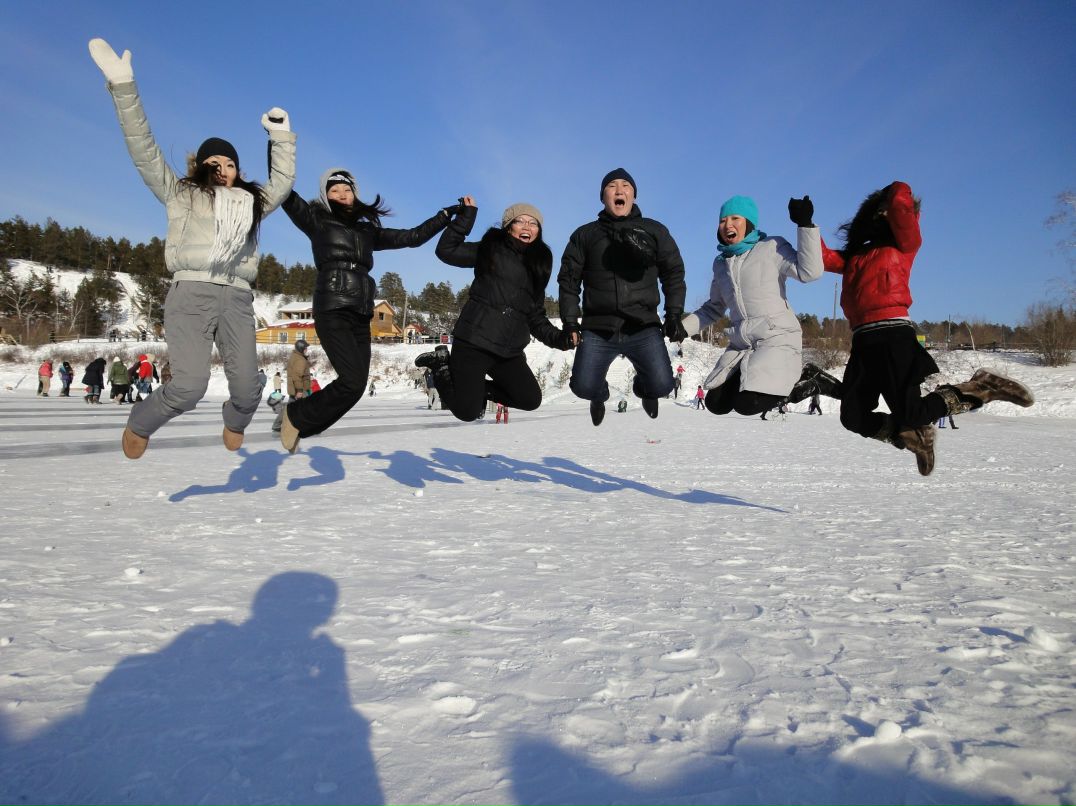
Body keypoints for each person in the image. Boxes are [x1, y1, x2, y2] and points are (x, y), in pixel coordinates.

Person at [88, 38, 296, 459]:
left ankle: (235, 419)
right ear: (200, 167)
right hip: (191, 294)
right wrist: (123, 86)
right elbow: (143, 148)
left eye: (230, 164)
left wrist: (280, 136)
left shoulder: (250, 204)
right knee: (188, 387)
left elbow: (282, 184)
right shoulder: (180, 194)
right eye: (214, 163)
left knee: (248, 390)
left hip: (237, 298)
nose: (223, 169)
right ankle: (141, 422)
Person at [822, 181, 1033, 475]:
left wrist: (895, 190)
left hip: (894, 335)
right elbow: (820, 258)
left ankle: (981, 387)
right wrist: (806, 225)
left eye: (886, 211)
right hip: (862, 341)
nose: (882, 215)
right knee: (853, 417)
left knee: (911, 411)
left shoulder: (904, 244)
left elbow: (901, 209)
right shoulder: (854, 257)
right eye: (877, 212)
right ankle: (912, 435)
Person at [276, 169, 455, 453]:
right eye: (334, 190)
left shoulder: (366, 230)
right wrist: (279, 146)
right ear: (325, 195)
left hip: (361, 314)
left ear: (354, 194)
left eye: (346, 190)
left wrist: (444, 216)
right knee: (351, 381)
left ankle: (299, 423)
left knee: (356, 387)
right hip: (332, 308)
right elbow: (284, 190)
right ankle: (295, 416)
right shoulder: (315, 219)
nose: (341, 194)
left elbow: (412, 237)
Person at [415, 199, 572, 422]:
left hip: (508, 351)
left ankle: (476, 390)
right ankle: (440, 365)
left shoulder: (540, 264)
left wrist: (560, 339)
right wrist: (466, 217)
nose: (527, 227)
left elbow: (535, 315)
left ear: (539, 231)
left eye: (533, 223)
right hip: (474, 342)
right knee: (467, 412)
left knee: (529, 399)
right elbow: (447, 250)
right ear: (508, 227)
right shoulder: (491, 248)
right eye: (520, 221)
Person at [559, 169, 686, 425]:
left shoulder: (655, 230)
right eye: (612, 186)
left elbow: (673, 273)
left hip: (642, 325)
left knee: (662, 386)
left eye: (626, 185)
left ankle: (645, 389)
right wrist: (570, 322)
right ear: (603, 196)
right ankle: (599, 395)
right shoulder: (585, 235)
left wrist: (673, 314)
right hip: (598, 328)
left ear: (633, 196)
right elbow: (569, 280)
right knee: (583, 386)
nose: (619, 190)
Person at [680, 194, 823, 419]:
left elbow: (809, 272)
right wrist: (681, 328)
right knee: (715, 403)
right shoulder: (721, 264)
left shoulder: (771, 247)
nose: (727, 225)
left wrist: (805, 225)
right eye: (722, 220)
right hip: (742, 343)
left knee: (747, 405)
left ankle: (807, 378)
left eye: (735, 218)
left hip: (776, 336)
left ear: (749, 223)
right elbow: (713, 308)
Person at [274, 339, 311, 433]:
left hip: (295, 388)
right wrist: (299, 390)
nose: (306, 350)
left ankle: (277, 424)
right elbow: (297, 375)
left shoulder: (295, 356)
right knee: (308, 407)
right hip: (300, 388)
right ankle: (310, 426)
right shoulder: (300, 359)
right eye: (305, 348)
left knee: (290, 408)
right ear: (301, 348)